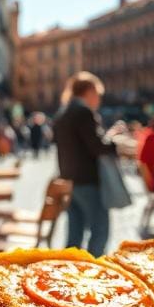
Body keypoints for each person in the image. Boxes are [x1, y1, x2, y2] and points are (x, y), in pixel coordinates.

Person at [53, 72, 116, 256]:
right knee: (100, 230)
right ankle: (93, 271)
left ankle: (68, 271)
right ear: (89, 91)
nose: (98, 99)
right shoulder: (83, 112)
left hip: (69, 180)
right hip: (88, 180)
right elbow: (97, 147)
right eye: (97, 94)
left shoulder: (63, 112)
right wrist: (114, 144)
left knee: (74, 234)